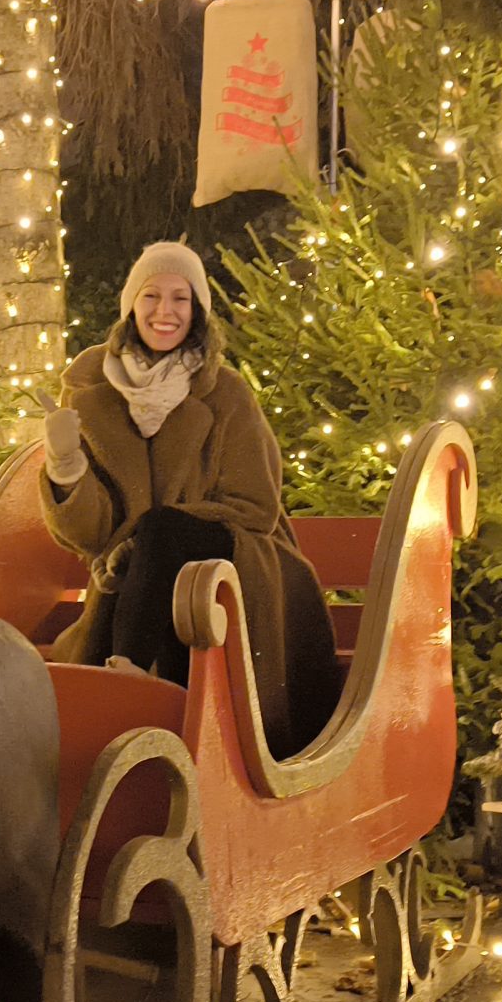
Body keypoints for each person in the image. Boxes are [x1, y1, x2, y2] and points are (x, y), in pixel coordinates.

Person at [41, 240, 339, 753]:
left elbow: (256, 507)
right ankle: (140, 728)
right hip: (136, 577)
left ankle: (127, 680)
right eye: (152, 296)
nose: (165, 311)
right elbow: (91, 535)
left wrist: (146, 535)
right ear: (131, 306)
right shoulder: (94, 395)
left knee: (163, 532)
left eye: (180, 298)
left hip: (241, 561)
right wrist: (65, 465)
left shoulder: (225, 391)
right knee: (146, 557)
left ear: (197, 310)